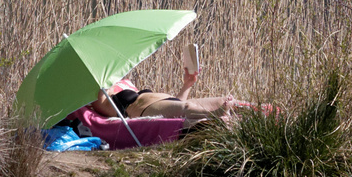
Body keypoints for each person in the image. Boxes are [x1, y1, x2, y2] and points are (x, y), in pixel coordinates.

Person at [89, 70, 248, 124]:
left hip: (171, 101)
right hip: (145, 109)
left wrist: (187, 84)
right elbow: (181, 108)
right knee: (186, 108)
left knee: (226, 100)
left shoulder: (124, 85)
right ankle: (215, 114)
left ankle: (261, 110)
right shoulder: (100, 99)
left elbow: (177, 103)